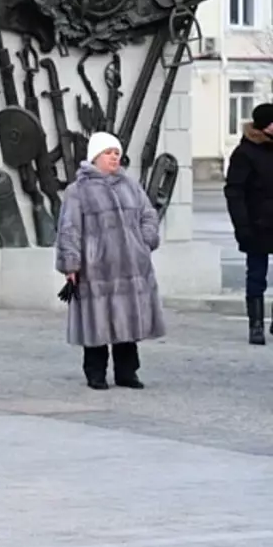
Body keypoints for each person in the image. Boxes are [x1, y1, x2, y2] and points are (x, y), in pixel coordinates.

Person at [56, 133, 164, 389]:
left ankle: (127, 372)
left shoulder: (130, 185)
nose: (114, 157)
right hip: (97, 269)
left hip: (131, 266)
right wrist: (71, 264)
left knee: (128, 321)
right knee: (97, 323)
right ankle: (96, 373)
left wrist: (145, 240)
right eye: (108, 152)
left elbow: (148, 214)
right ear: (95, 157)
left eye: (117, 152)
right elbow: (69, 228)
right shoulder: (78, 191)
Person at [224, 103, 273, 346]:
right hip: (257, 224)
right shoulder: (245, 153)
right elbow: (235, 192)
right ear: (265, 125)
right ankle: (256, 324)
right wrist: (242, 227)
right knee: (256, 275)